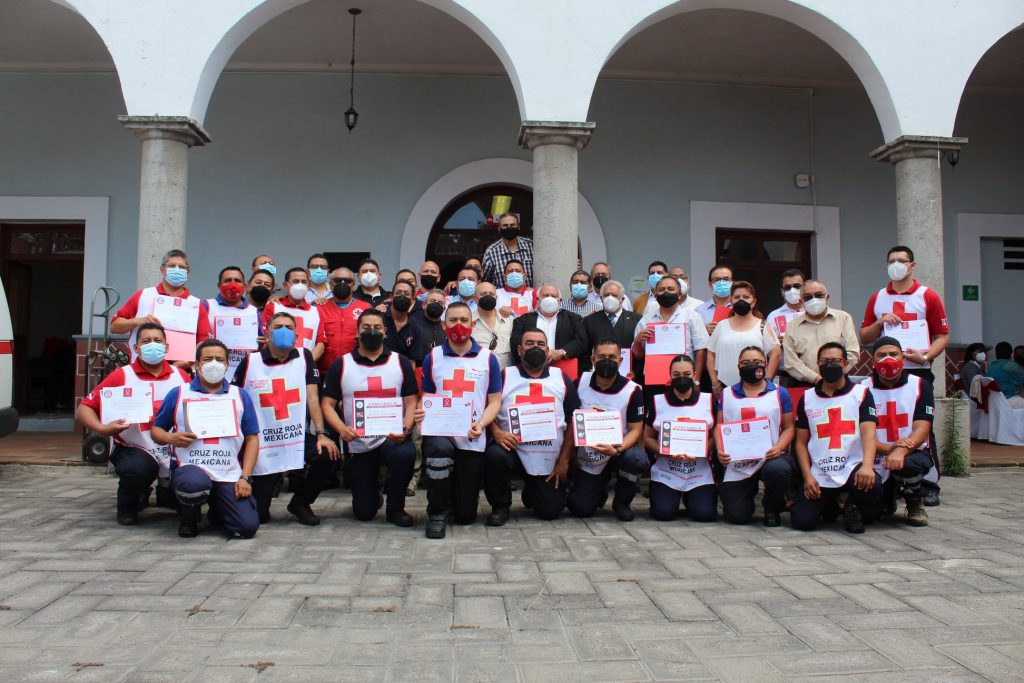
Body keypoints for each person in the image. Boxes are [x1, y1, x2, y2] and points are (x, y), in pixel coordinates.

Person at [76, 322, 191, 525]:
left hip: (172, 446)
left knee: (184, 498)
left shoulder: (180, 376)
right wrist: (103, 429)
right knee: (138, 469)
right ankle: (129, 503)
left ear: (167, 347)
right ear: (136, 348)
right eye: (146, 341)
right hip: (135, 448)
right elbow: (84, 408)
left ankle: (166, 491)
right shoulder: (122, 376)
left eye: (158, 341)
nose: (152, 345)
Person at [233, 312, 337, 525]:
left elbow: (312, 398)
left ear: (296, 334)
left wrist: (320, 433)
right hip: (262, 442)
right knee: (259, 516)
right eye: (278, 326)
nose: (284, 331)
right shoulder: (250, 361)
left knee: (327, 454)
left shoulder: (304, 357)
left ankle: (301, 502)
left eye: (289, 327)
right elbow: (235, 401)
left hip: (295, 436)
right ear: (268, 334)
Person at [151, 339, 260, 539]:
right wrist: (170, 437)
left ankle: (218, 511)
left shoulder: (240, 396)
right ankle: (189, 519)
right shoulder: (179, 393)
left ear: (227, 365)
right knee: (193, 485)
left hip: (228, 472)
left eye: (219, 359)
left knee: (247, 527)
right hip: (191, 468)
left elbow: (252, 438)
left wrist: (245, 477)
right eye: (208, 359)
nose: (214, 364)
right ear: (197, 364)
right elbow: (156, 430)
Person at [321, 308, 419, 526]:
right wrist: (341, 429)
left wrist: (406, 427)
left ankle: (396, 508)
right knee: (364, 513)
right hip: (358, 441)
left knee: (406, 454)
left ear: (385, 331)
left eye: (377, 327)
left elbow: (411, 400)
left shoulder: (400, 361)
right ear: (357, 332)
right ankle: (372, 494)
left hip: (391, 436)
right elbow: (326, 404)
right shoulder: (342, 363)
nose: (371, 331)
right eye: (366, 327)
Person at [418, 302, 503, 538]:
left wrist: (482, 424)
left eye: (464, 320)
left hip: (472, 434)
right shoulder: (433, 357)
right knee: (439, 452)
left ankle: (457, 500)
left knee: (465, 515)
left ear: (473, 324)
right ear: (444, 325)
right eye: (453, 320)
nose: (458, 325)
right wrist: (420, 413)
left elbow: (495, 401)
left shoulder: (488, 358)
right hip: (441, 433)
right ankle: (436, 512)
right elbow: (426, 396)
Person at [487, 329, 580, 523]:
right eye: (529, 343)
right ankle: (500, 506)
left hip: (548, 454)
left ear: (547, 350)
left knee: (550, 512)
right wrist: (496, 433)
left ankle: (532, 492)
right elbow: (487, 408)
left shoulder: (561, 378)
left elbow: (573, 419)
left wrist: (564, 460)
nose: (535, 347)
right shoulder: (505, 376)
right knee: (494, 456)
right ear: (520, 350)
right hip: (511, 448)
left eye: (540, 344)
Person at [791, 342, 881, 534]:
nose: (829, 365)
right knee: (802, 521)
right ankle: (831, 503)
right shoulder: (807, 398)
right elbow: (800, 442)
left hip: (851, 466)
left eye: (835, 361)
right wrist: (807, 477)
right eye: (825, 361)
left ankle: (852, 504)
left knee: (873, 488)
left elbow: (869, 433)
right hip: (820, 470)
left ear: (846, 364)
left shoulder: (861, 394)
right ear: (817, 364)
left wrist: (867, 466)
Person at [714, 346, 795, 526]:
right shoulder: (726, 394)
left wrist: (779, 447)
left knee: (778, 470)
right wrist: (720, 449)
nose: (752, 366)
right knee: (737, 516)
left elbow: (789, 427)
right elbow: (719, 425)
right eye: (746, 363)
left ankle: (772, 508)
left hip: (770, 456)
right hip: (738, 460)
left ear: (765, 364)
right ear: (738, 366)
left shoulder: (779, 392)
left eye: (757, 362)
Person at [566, 339, 647, 520]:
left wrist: (617, 449)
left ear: (620, 361)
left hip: (619, 449)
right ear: (593, 360)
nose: (607, 361)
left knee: (636, 460)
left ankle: (622, 502)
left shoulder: (633, 390)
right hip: (589, 453)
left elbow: (636, 430)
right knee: (580, 509)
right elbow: (571, 420)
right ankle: (597, 491)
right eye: (602, 357)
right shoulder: (580, 382)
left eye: (612, 357)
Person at [860, 337, 935, 527]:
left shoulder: (919, 385)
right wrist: (889, 449)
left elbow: (922, 426)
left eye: (893, 354)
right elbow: (857, 432)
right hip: (874, 454)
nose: (888, 359)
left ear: (903, 358)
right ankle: (887, 498)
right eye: (882, 355)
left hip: (909, 453)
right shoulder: (861, 388)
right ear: (873, 362)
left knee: (909, 466)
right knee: (871, 514)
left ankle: (913, 501)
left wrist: (900, 452)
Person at [860, 246, 950, 384]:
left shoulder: (928, 296)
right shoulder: (877, 297)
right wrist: (879, 323)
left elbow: (942, 336)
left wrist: (925, 358)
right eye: (892, 262)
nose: (896, 265)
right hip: (883, 369)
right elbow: (864, 338)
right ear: (887, 265)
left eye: (901, 261)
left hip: (918, 369)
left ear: (912, 265)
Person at [644, 354, 717, 521]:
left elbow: (715, 436)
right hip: (667, 469)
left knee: (705, 514)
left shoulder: (708, 400)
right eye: (676, 375)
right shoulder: (658, 402)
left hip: (698, 470)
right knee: (663, 513)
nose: (682, 378)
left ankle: (693, 499)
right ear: (670, 375)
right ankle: (669, 497)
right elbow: (647, 438)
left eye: (687, 374)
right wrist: (665, 451)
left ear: (694, 374)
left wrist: (704, 449)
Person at [110, 249, 211, 363]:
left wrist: (190, 362)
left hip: (181, 371)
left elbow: (204, 340)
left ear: (188, 272)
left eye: (182, 267)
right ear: (162, 270)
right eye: (172, 266)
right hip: (141, 367)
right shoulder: (143, 295)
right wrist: (138, 321)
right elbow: (114, 326)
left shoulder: (196, 304)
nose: (177, 270)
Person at [781, 280, 860, 389]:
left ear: (827, 298)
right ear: (802, 301)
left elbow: (853, 352)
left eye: (819, 295)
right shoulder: (792, 326)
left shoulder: (844, 318)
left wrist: (835, 374)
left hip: (839, 384)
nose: (814, 300)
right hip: (805, 386)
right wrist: (816, 378)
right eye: (808, 297)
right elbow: (791, 363)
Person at [633, 275, 709, 388]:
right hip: (654, 380)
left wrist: (696, 380)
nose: (666, 292)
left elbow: (700, 350)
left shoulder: (691, 316)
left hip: (684, 380)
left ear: (679, 295)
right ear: (655, 295)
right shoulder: (646, 320)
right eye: (662, 290)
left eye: (670, 289)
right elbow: (639, 356)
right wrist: (638, 341)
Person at [707, 281, 780, 393]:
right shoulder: (721, 325)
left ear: (754, 301)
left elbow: (775, 353)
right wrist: (715, 383)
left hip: (756, 387)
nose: (741, 300)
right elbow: (711, 354)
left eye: (746, 297)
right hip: (724, 387)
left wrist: (767, 381)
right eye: (737, 297)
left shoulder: (762, 325)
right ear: (731, 301)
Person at [509, 284, 587, 373]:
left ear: (560, 301)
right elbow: (515, 343)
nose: (550, 299)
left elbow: (581, 342)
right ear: (538, 300)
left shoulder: (573, 319)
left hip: (564, 369)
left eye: (554, 296)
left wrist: (562, 352)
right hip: (530, 369)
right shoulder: (523, 320)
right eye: (546, 296)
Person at [204, 266, 261, 380]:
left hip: (245, 373)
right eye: (228, 280)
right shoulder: (207, 306)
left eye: (237, 281)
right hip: (212, 371)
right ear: (219, 286)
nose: (233, 284)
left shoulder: (253, 312)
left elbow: (261, 341)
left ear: (245, 286)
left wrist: (262, 343)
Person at [261, 267, 326, 362]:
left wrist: (306, 364)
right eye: (296, 281)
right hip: (276, 365)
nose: (300, 285)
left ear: (309, 285)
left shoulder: (317, 311)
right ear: (285, 285)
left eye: (304, 282)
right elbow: (264, 338)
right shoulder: (273, 306)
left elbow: (321, 343)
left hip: (305, 368)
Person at [581, 280, 643, 374]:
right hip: (598, 375)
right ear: (601, 298)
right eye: (606, 295)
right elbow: (584, 351)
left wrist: (636, 372)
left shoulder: (637, 319)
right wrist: (590, 370)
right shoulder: (588, 321)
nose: (610, 298)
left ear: (622, 299)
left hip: (629, 376)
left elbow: (643, 350)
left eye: (614, 295)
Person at [316, 267, 370, 373]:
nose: (342, 283)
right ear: (330, 285)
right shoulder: (318, 308)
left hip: (357, 369)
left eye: (348, 281)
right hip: (326, 371)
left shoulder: (366, 308)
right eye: (337, 280)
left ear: (353, 286)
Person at [765, 268, 805, 386]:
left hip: (813, 373)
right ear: (782, 291)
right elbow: (766, 348)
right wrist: (775, 342)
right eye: (788, 287)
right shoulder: (774, 316)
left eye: (797, 286)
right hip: (785, 376)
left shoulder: (813, 312)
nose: (792, 290)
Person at [482, 213, 533, 287]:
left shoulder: (530, 246)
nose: (509, 228)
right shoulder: (491, 251)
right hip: (501, 297)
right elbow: (485, 280)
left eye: (512, 225)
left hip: (530, 297)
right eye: (505, 225)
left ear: (518, 227)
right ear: (499, 228)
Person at [472, 280, 514, 368]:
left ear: (496, 298)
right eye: (483, 294)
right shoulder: (468, 322)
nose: (488, 296)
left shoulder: (510, 321)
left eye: (491, 294)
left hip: (505, 377)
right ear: (475, 299)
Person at [385, 279, 422, 364]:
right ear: (391, 297)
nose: (402, 296)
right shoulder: (379, 321)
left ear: (412, 300)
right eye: (398, 293)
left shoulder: (415, 328)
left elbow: (412, 361)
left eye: (406, 294)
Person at [697, 265, 734, 334]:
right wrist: (703, 331)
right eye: (717, 280)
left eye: (726, 279)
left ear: (732, 282)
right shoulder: (699, 311)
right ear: (710, 284)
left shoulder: (740, 307)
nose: (722, 283)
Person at [988, 341, 1024, 407]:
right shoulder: (1012, 366)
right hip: (1010, 399)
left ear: (996, 355)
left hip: (995, 401)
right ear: (1011, 355)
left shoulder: (991, 366)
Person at [414, 289, 448, 358]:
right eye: (432, 301)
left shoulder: (446, 328)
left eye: (440, 303)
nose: (436, 304)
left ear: (444, 309)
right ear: (424, 305)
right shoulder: (413, 325)